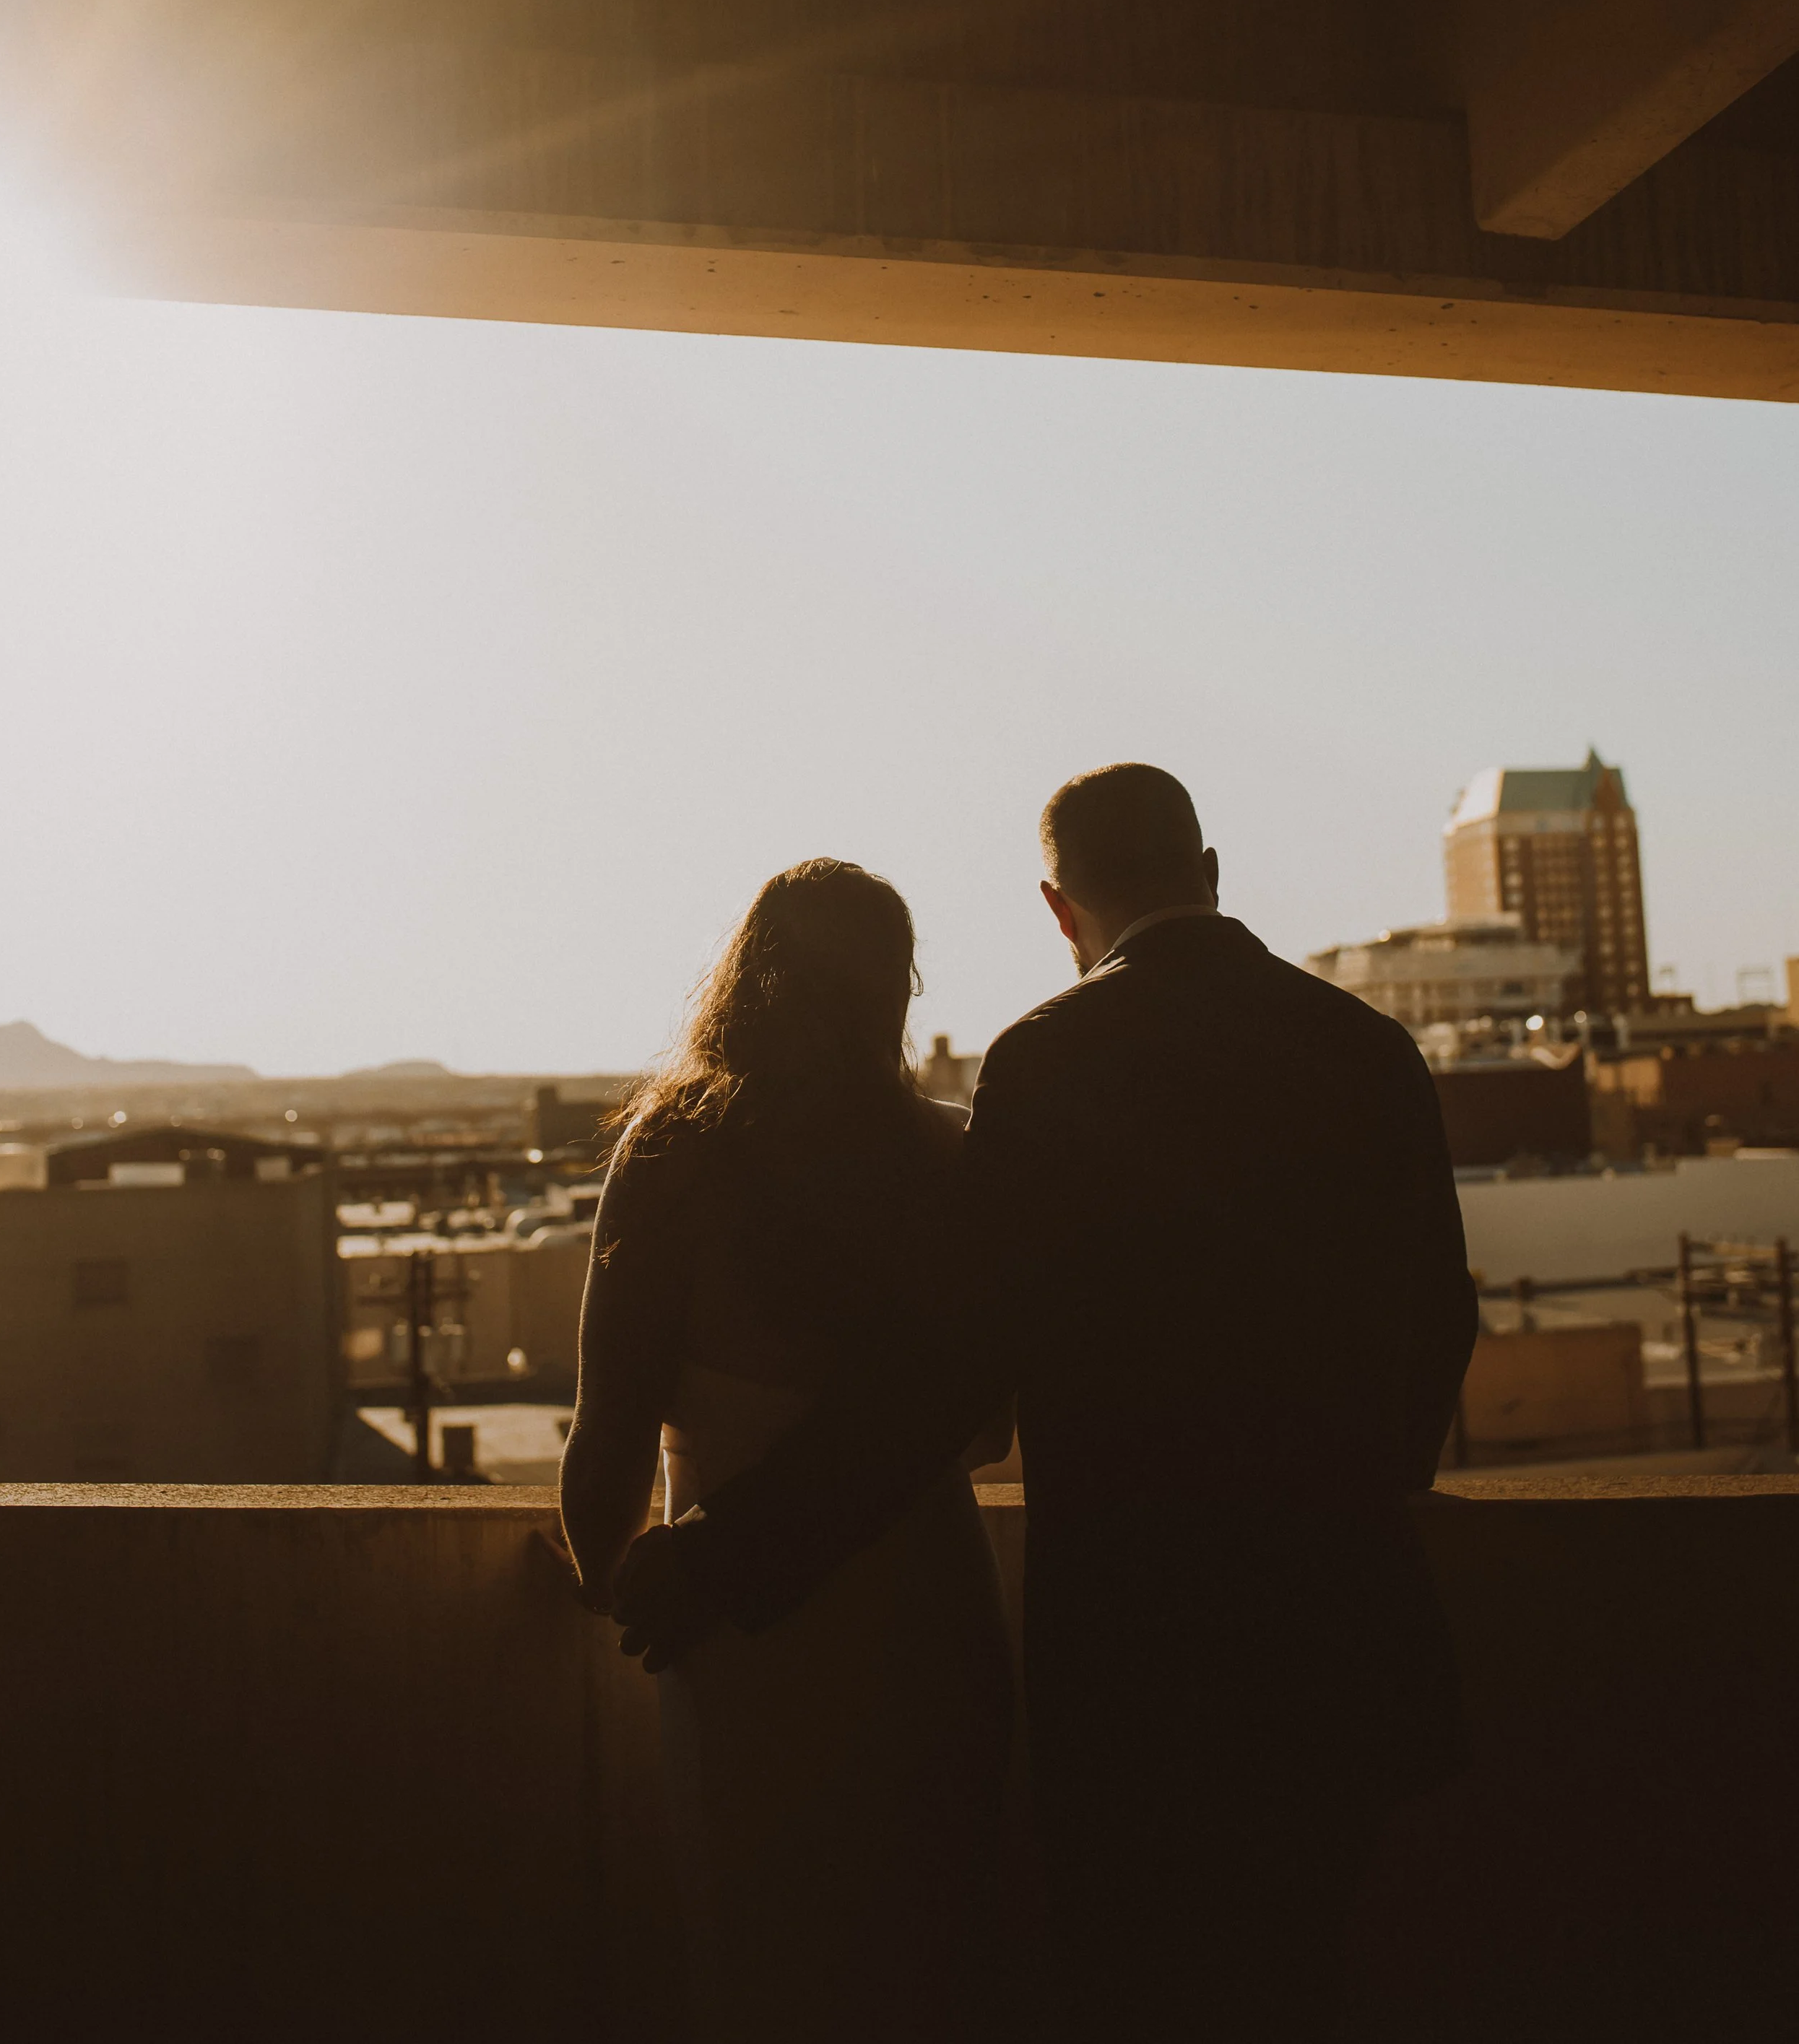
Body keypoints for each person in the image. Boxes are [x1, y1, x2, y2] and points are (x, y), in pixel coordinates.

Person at [613, 764, 1480, 2040]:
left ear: (1060, 910)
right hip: (1342, 1632)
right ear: (1212, 870)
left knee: (1145, 1989)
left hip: (1137, 1655)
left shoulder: (1053, 1059)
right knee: (1303, 1980)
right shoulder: (1368, 1049)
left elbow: (948, 1366)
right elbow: (1438, 1321)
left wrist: (728, 1552)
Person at [558, 859, 1014, 2044]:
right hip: (930, 1598)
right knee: (931, 1947)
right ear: (895, 993)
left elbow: (608, 1427)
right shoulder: (956, 1157)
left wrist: (600, 1575)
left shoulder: (675, 1151)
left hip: (736, 1619)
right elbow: (985, 1426)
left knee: (769, 1948)